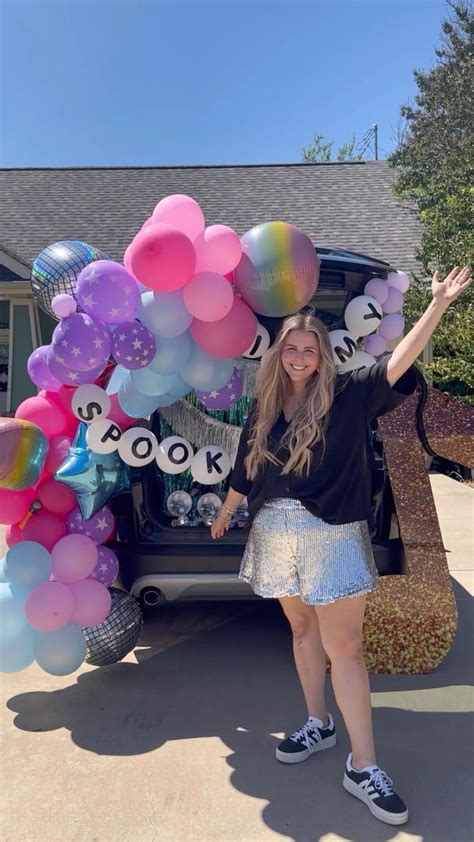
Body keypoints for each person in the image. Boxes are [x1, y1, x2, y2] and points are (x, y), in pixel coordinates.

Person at [211, 266, 471, 827]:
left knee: (346, 650)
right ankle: (317, 722)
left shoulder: (351, 394)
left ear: (324, 356)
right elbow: (246, 468)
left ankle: (364, 765)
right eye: (292, 347)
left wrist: (437, 306)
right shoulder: (265, 406)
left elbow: (398, 360)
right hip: (276, 534)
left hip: (332, 535)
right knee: (301, 630)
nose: (300, 356)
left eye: (310, 349)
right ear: (279, 353)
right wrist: (229, 509)